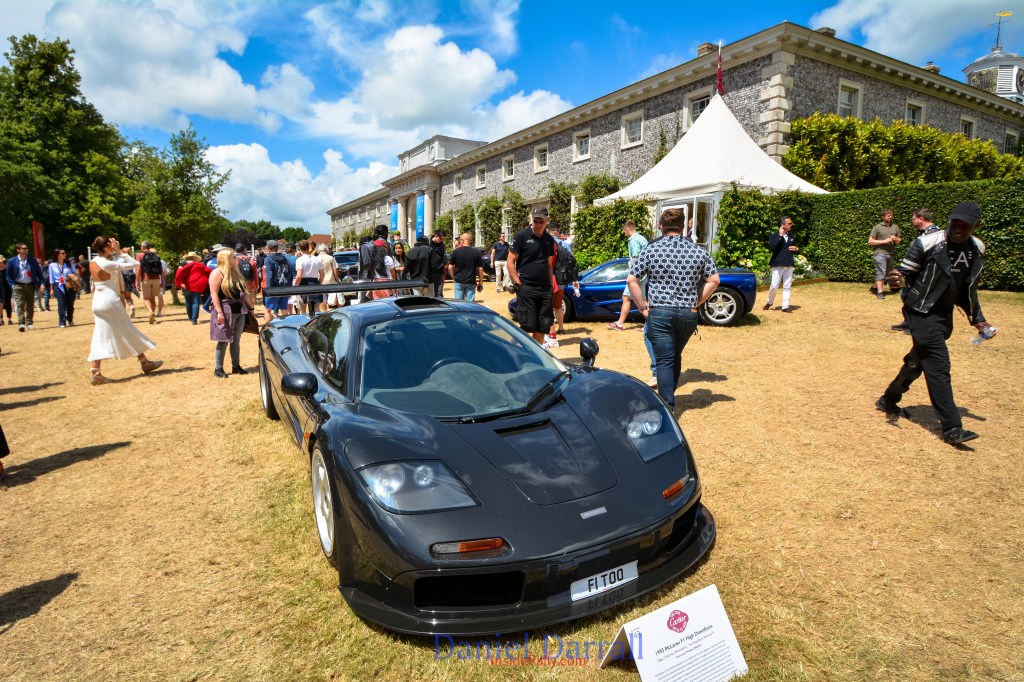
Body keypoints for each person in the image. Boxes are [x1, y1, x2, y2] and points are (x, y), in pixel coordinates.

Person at [876, 201, 992, 445]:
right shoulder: (927, 242)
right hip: (920, 311)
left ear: (976, 225)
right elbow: (904, 273)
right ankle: (952, 428)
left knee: (918, 360)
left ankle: (889, 399)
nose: (958, 229)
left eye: (965, 226)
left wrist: (978, 319)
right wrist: (896, 280)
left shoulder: (976, 248)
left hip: (943, 314)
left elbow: (967, 289)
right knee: (939, 366)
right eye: (954, 223)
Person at [627, 209, 719, 409]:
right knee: (674, 355)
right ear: (683, 226)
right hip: (688, 314)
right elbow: (714, 280)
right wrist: (696, 302)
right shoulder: (698, 251)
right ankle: (669, 397)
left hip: (660, 311)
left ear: (661, 226)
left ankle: (667, 406)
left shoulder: (651, 250)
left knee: (664, 360)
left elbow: (632, 279)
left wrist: (642, 306)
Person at [87, 235, 163, 385]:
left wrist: (115, 252)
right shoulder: (107, 263)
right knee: (127, 330)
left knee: (100, 335)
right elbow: (135, 264)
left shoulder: (94, 261)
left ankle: (96, 371)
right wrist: (120, 251)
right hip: (109, 299)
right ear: (107, 247)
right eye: (112, 243)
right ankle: (145, 362)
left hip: (98, 301)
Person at [507, 207, 556, 344]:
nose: (538, 224)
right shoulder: (522, 236)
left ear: (547, 221)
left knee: (542, 326)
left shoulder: (549, 240)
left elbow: (549, 265)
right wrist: (518, 283)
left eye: (541, 221)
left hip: (545, 289)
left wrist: (550, 285)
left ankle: (535, 354)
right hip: (526, 287)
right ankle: (512, 350)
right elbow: (510, 262)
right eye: (535, 221)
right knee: (527, 326)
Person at [892, 209, 941, 333]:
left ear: (921, 219)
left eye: (913, 218)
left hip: (925, 273)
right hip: (915, 270)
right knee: (907, 296)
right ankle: (908, 323)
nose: (911, 221)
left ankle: (916, 326)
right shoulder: (922, 233)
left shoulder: (934, 233)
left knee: (919, 298)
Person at [209, 248, 254, 378]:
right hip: (225, 310)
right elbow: (214, 294)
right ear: (226, 259)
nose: (236, 259)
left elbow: (244, 293)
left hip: (239, 310)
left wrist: (251, 308)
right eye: (233, 257)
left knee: (236, 340)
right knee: (223, 340)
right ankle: (218, 369)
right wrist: (219, 312)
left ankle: (236, 366)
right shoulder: (217, 273)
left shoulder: (236, 272)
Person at [609, 220, 649, 331]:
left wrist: (633, 275)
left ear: (627, 230)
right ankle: (650, 325)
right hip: (644, 274)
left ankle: (620, 324)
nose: (625, 234)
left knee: (628, 298)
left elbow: (636, 258)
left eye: (624, 231)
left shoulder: (633, 240)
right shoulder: (642, 238)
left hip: (637, 276)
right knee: (641, 300)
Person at [545, 225, 579, 348]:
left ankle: (550, 333)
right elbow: (571, 260)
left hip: (551, 277)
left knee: (547, 306)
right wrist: (573, 278)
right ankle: (561, 327)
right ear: (557, 231)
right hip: (561, 278)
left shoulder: (547, 243)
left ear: (548, 230)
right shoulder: (564, 244)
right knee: (558, 305)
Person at [5, 243, 45, 331]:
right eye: (24, 248)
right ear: (18, 250)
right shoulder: (12, 261)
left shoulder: (32, 260)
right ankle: (21, 323)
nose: (26, 250)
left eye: (27, 248)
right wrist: (12, 285)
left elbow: (39, 273)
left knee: (30, 304)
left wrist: (41, 283)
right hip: (18, 285)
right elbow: (8, 275)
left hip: (30, 285)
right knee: (20, 304)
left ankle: (29, 323)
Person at [763, 216, 798, 313]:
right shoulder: (774, 236)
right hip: (777, 263)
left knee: (787, 285)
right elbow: (772, 246)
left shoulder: (792, 236)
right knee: (774, 285)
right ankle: (769, 302)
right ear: (783, 225)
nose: (791, 225)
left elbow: (795, 248)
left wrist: (797, 249)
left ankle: (785, 306)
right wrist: (780, 235)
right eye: (789, 223)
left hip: (789, 263)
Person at [868, 209, 901, 300]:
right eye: (888, 215)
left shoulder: (895, 227)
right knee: (881, 272)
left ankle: (874, 287)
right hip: (880, 253)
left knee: (886, 274)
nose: (890, 217)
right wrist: (884, 241)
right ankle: (880, 292)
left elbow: (899, 241)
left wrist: (896, 239)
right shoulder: (877, 227)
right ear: (883, 217)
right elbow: (870, 241)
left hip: (890, 254)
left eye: (891, 215)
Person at [175, 252, 212, 324]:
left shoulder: (183, 265)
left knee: (188, 301)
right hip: (197, 286)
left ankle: (190, 317)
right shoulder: (200, 265)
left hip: (186, 286)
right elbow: (209, 271)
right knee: (196, 302)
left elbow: (178, 274)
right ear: (195, 258)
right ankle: (194, 319)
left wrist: (180, 283)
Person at [262, 240, 294, 323]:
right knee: (284, 310)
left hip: (274, 288)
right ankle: (287, 327)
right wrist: (289, 289)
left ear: (269, 248)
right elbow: (289, 274)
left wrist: (268, 290)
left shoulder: (268, 259)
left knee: (267, 310)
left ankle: (267, 329)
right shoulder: (285, 258)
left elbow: (269, 275)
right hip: (284, 287)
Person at [448, 232, 484, 301]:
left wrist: (453, 277)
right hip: (471, 280)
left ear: (462, 240)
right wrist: (481, 282)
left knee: (459, 303)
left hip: (459, 280)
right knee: (470, 303)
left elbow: (450, 267)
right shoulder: (476, 252)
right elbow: (480, 268)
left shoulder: (455, 252)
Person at [134, 240, 163, 324]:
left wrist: (137, 281)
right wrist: (162, 281)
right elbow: (161, 270)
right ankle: (152, 316)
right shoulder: (156, 255)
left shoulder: (139, 255)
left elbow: (138, 269)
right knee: (153, 298)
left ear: (143, 247)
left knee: (146, 298)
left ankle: (150, 312)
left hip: (146, 279)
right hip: (156, 279)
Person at [293, 240, 324, 316]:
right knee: (316, 308)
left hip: (303, 284)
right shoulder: (317, 259)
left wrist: (295, 285)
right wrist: (319, 284)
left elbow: (299, 275)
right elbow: (322, 274)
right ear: (309, 247)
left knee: (302, 309)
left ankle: (304, 322)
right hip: (315, 283)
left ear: (300, 248)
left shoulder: (299, 260)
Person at [48, 248, 78, 328]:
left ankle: (70, 318)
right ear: (57, 255)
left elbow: (75, 273)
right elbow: (51, 278)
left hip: (69, 285)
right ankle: (62, 321)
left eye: (65, 253)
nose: (65, 254)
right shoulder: (52, 265)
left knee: (70, 304)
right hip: (58, 285)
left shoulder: (69, 264)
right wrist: (51, 289)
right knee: (61, 304)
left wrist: (71, 278)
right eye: (63, 253)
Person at [316, 244, 341, 309]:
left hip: (321, 281)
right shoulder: (331, 258)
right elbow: (335, 270)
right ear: (326, 250)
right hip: (331, 281)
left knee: (324, 299)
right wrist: (337, 280)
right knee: (334, 298)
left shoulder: (316, 259)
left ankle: (325, 312)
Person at [429, 230, 447, 298]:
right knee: (430, 292)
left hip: (440, 271)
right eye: (441, 238)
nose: (442, 240)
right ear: (436, 236)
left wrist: (443, 263)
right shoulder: (428, 243)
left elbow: (444, 256)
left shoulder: (442, 245)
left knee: (439, 293)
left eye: (443, 239)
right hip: (430, 271)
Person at [0, 256, 11, 326]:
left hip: (7, 287)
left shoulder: (7, 268)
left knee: (8, 302)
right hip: (0, 288)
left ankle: (9, 319)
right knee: (0, 303)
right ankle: (1, 319)